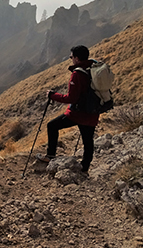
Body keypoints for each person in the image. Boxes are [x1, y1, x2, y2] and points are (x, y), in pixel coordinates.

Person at [36, 45, 99, 173]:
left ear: (76, 58)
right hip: (93, 112)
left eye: (71, 57)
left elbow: (71, 98)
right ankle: (84, 168)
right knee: (88, 141)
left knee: (52, 126)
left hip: (78, 114)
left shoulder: (78, 74)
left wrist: (52, 95)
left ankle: (50, 155)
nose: (70, 59)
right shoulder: (93, 68)